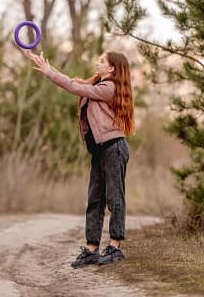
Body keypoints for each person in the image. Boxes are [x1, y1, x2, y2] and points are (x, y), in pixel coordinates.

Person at [24, 50, 135, 268]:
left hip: (114, 148)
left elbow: (75, 87)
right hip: (99, 151)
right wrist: (48, 68)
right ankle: (92, 249)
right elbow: (75, 83)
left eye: (102, 61)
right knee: (95, 199)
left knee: (114, 198)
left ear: (112, 68)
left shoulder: (109, 87)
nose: (97, 62)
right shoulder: (98, 84)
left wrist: (48, 73)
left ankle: (115, 246)